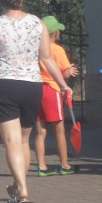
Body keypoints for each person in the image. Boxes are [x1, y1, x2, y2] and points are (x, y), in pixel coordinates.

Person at [0, 0, 70, 203]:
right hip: (32, 86)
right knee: (23, 141)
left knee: (12, 141)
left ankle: (21, 187)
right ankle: (17, 185)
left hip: (3, 85)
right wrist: (62, 84)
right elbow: (46, 58)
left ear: (0, 1)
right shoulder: (37, 24)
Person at [33, 15, 79, 177]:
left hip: (36, 89)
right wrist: (70, 71)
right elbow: (65, 74)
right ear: (56, 33)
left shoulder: (35, 48)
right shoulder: (57, 50)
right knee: (59, 130)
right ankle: (64, 164)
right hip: (52, 90)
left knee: (40, 132)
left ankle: (42, 166)